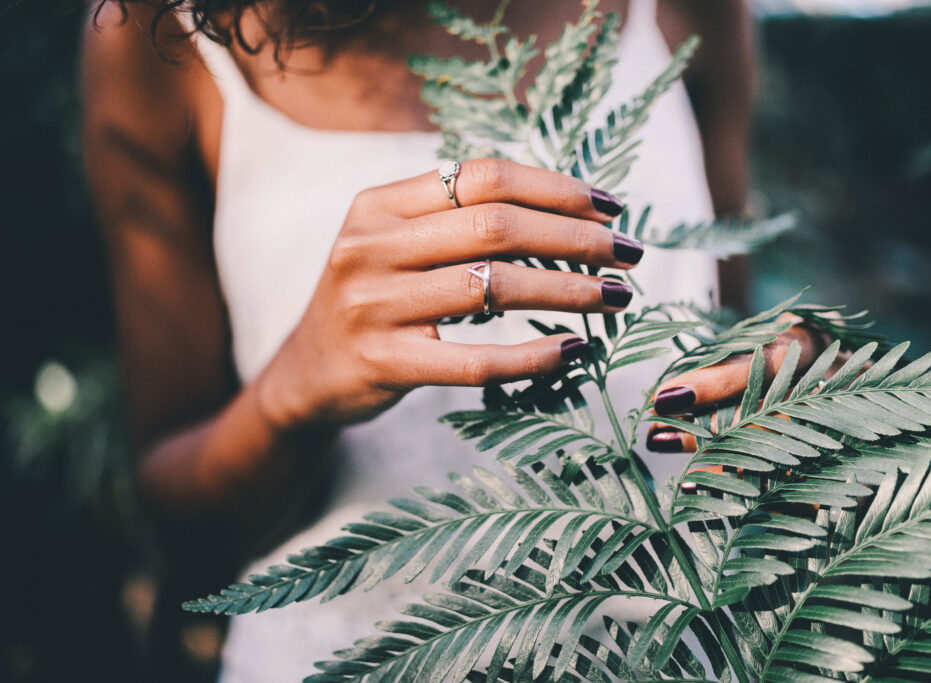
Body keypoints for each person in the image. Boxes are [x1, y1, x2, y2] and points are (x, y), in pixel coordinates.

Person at [82, 0, 784, 679]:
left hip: (679, 652)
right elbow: (185, 532)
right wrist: (290, 395)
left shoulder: (697, 9)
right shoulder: (157, 33)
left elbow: (730, 348)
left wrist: (808, 403)